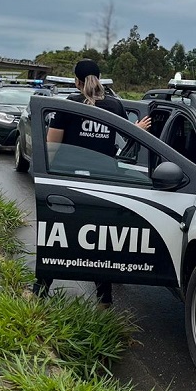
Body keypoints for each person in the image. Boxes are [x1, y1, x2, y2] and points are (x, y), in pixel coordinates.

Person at [35, 59, 151, 307]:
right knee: (100, 241)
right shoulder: (114, 105)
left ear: (76, 81)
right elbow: (129, 137)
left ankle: (40, 290)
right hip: (103, 183)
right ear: (100, 78)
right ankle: (104, 300)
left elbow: (52, 145)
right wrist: (138, 128)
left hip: (70, 182)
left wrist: (47, 176)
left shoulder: (68, 106)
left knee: (59, 237)